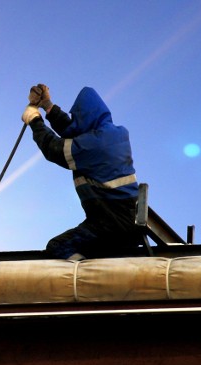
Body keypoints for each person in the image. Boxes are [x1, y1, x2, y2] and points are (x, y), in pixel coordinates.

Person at [22, 84, 142, 260]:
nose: (75, 120)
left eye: (78, 117)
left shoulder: (96, 144)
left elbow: (54, 149)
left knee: (59, 246)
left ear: (86, 115)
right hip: (120, 219)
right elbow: (73, 130)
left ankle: (86, 280)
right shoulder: (110, 134)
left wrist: (34, 120)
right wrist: (47, 105)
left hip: (112, 223)